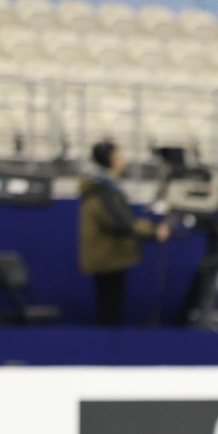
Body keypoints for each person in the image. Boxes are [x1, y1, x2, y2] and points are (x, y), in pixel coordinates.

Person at [79, 140, 168, 327]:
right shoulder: (102, 190)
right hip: (107, 258)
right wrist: (153, 231)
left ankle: (107, 340)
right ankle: (106, 344)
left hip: (109, 256)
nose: (123, 160)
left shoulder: (106, 188)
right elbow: (120, 222)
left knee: (110, 305)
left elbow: (123, 220)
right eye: (119, 156)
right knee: (109, 308)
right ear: (110, 159)